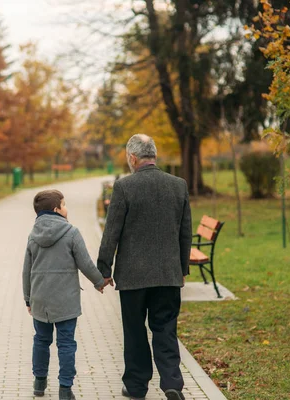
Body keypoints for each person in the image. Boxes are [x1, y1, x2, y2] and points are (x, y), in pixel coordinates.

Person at [97, 134, 192, 400]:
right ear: (155, 156)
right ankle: (172, 383)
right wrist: (181, 268)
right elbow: (185, 232)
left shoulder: (124, 187)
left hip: (133, 277)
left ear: (132, 158)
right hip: (168, 276)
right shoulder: (178, 185)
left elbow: (111, 232)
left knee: (135, 331)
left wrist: (104, 270)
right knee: (165, 329)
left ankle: (137, 386)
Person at [22, 189, 112, 400]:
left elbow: (26, 270)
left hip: (40, 299)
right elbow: (85, 263)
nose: (66, 208)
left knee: (41, 340)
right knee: (66, 343)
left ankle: (39, 382)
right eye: (64, 204)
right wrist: (99, 282)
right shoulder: (71, 233)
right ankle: (65, 388)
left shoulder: (33, 235)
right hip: (66, 299)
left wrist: (28, 298)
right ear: (57, 210)